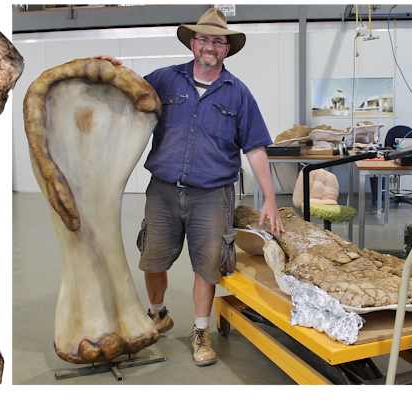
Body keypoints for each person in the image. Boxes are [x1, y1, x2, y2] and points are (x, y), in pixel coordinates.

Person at [94, 8, 284, 367]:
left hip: (212, 195)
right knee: (152, 259)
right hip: (163, 191)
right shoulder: (164, 80)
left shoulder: (238, 94)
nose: (210, 46)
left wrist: (270, 199)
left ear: (226, 49)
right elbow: (128, 91)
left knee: (207, 266)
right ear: (192, 43)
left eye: (217, 41)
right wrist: (109, 70)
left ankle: (200, 331)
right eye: (204, 39)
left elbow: (256, 147)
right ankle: (157, 313)